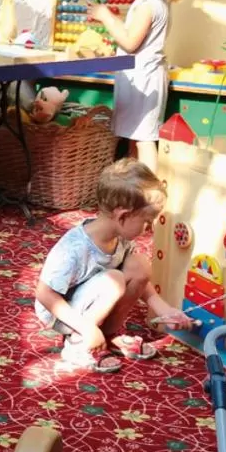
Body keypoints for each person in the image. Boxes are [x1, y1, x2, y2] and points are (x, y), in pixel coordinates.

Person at [34, 158, 193, 372]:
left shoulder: (120, 237)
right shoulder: (74, 248)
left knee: (139, 264)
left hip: (91, 300)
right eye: (147, 220)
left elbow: (140, 279)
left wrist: (164, 309)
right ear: (123, 216)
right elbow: (44, 294)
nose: (150, 227)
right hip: (60, 312)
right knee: (114, 280)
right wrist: (87, 328)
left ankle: (108, 335)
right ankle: (78, 344)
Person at [89, 0, 181, 172]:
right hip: (144, 76)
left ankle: (149, 194)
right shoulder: (159, 2)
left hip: (144, 79)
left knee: (144, 139)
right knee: (136, 136)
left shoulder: (147, 4)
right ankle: (132, 188)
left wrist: (106, 16)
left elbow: (131, 43)